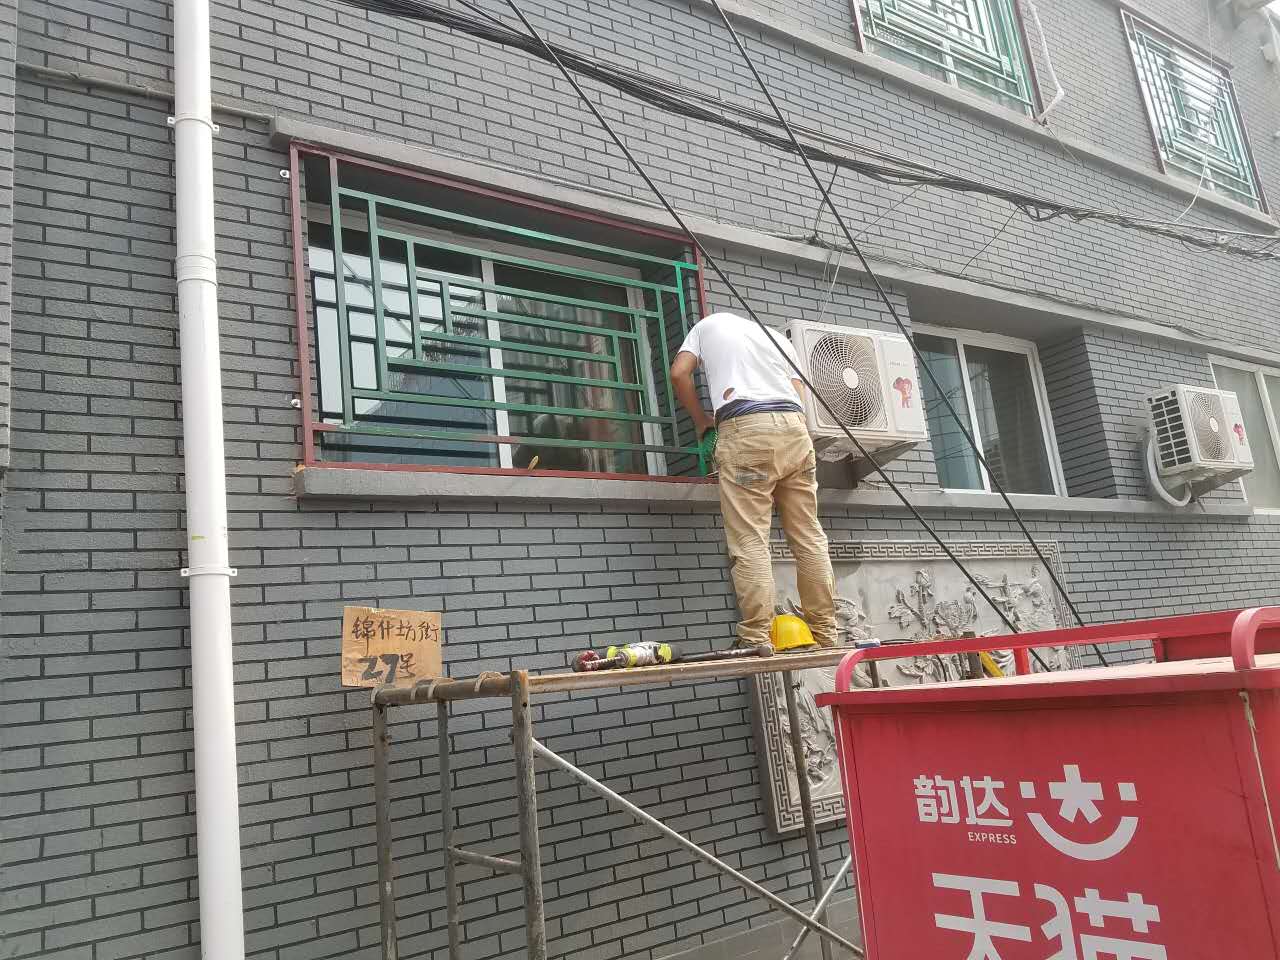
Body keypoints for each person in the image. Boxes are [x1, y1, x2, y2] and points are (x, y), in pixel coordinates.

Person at [670, 311, 838, 649]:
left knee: (750, 539)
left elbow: (679, 373)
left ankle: (756, 636)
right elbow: (798, 393)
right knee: (808, 535)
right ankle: (826, 632)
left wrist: (701, 419)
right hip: (795, 430)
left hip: (746, 426)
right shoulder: (777, 338)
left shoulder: (706, 325)